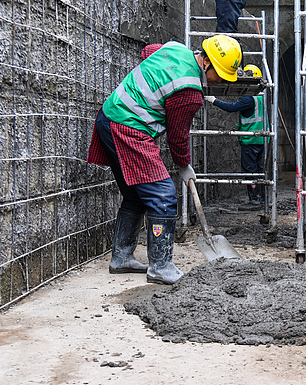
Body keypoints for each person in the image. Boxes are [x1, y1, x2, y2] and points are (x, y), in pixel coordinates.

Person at [86, 34, 243, 284]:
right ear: (207, 64)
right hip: (128, 127)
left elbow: (148, 50)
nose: (219, 81)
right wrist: (184, 165)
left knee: (136, 194)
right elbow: (177, 137)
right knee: (163, 194)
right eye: (221, 75)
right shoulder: (190, 90)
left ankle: (122, 257)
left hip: (109, 116)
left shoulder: (174, 49)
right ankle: (160, 267)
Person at [203, 64, 268, 210]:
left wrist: (214, 100)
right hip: (261, 139)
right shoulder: (260, 98)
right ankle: (262, 199)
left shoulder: (248, 98)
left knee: (249, 170)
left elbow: (231, 107)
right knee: (258, 170)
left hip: (250, 139)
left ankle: (255, 201)